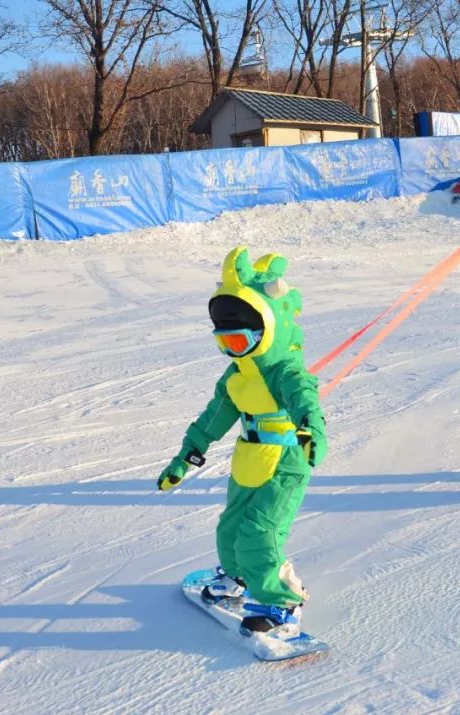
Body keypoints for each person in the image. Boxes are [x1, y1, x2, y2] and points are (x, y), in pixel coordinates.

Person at [157, 245, 327, 634]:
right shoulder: (237, 376)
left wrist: (312, 435)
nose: (232, 351)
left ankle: (279, 601)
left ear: (267, 330)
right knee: (231, 528)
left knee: (260, 533)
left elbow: (307, 406)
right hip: (249, 458)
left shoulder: (286, 371)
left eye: (238, 342)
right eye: (225, 343)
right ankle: (238, 577)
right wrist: (186, 457)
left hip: (286, 459)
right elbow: (212, 420)